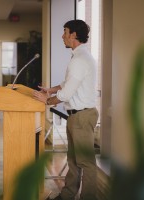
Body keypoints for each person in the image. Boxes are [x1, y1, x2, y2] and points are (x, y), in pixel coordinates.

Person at [33, 20, 99, 200]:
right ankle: (67, 195)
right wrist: (50, 90)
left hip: (82, 116)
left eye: (65, 32)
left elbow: (67, 93)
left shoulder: (80, 60)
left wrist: (47, 100)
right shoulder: (79, 57)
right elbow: (65, 84)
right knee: (73, 161)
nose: (62, 36)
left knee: (86, 163)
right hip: (77, 116)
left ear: (74, 35)